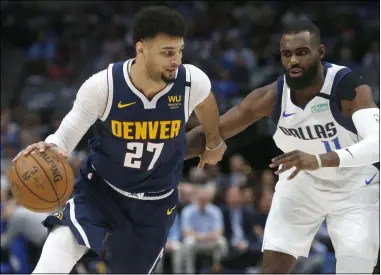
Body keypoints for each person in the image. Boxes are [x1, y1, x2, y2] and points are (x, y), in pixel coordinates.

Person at [12, 6, 227, 274]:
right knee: (62, 241)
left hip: (154, 204)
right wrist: (52, 147)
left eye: (180, 51)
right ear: (141, 49)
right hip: (101, 190)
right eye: (167, 52)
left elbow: (207, 103)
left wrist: (214, 141)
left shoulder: (191, 81)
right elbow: (67, 132)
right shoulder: (104, 86)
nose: (176, 60)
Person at [186, 20, 379, 274]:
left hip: (355, 185)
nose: (293, 61)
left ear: (320, 52)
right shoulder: (272, 97)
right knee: (273, 268)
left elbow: (377, 144)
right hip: (302, 182)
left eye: (301, 52)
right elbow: (215, 130)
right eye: (287, 54)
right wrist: (162, 153)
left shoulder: (347, 86)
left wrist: (319, 159)